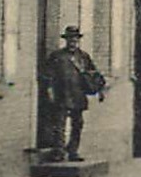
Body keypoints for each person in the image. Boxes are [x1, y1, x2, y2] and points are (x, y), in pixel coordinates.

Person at [41, 25, 105, 162]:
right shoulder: (57, 56)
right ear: (66, 40)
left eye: (75, 38)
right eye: (70, 38)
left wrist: (98, 89)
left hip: (78, 95)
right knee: (59, 124)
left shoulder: (83, 57)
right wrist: (50, 91)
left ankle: (73, 151)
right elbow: (48, 76)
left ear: (78, 40)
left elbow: (93, 74)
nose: (72, 41)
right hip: (61, 94)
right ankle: (59, 151)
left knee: (78, 124)